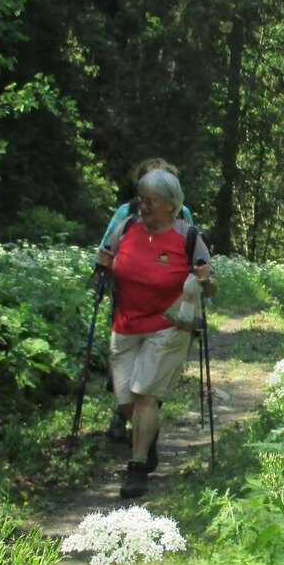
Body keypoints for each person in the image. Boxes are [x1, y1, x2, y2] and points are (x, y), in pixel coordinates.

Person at [96, 167, 217, 499]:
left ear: (170, 205)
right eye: (141, 199)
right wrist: (103, 266)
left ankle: (136, 468)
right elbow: (108, 274)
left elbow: (211, 287)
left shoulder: (189, 237)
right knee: (126, 400)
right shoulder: (126, 228)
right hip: (125, 325)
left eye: (150, 201)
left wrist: (206, 280)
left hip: (168, 326)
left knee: (145, 394)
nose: (143, 205)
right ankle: (147, 438)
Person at [100, 158, 193, 444]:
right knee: (126, 373)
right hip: (127, 305)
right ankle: (126, 417)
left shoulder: (183, 216)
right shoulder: (126, 214)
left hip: (167, 312)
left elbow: (193, 257)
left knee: (150, 378)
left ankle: (143, 432)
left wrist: (193, 303)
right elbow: (106, 248)